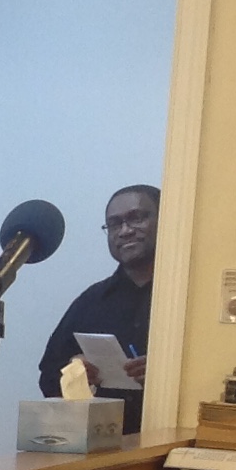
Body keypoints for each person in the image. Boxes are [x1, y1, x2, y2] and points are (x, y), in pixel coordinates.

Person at [38, 184, 158, 433]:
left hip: (170, 440)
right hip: (101, 443)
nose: (125, 231)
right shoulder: (92, 301)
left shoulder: (189, 297)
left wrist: (163, 374)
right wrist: (75, 371)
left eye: (136, 218)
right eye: (114, 224)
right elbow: (48, 377)